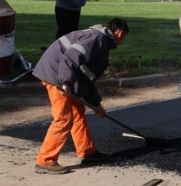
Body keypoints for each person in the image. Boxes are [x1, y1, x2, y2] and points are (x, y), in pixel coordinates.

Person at [32, 17, 129, 174]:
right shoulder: (97, 39)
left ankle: (87, 152)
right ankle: (45, 160)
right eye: (123, 37)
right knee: (63, 118)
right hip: (55, 74)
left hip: (62, 74)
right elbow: (70, 58)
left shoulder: (101, 42)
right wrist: (65, 82)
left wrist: (96, 105)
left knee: (77, 112)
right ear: (119, 32)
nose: (122, 41)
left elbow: (86, 80)